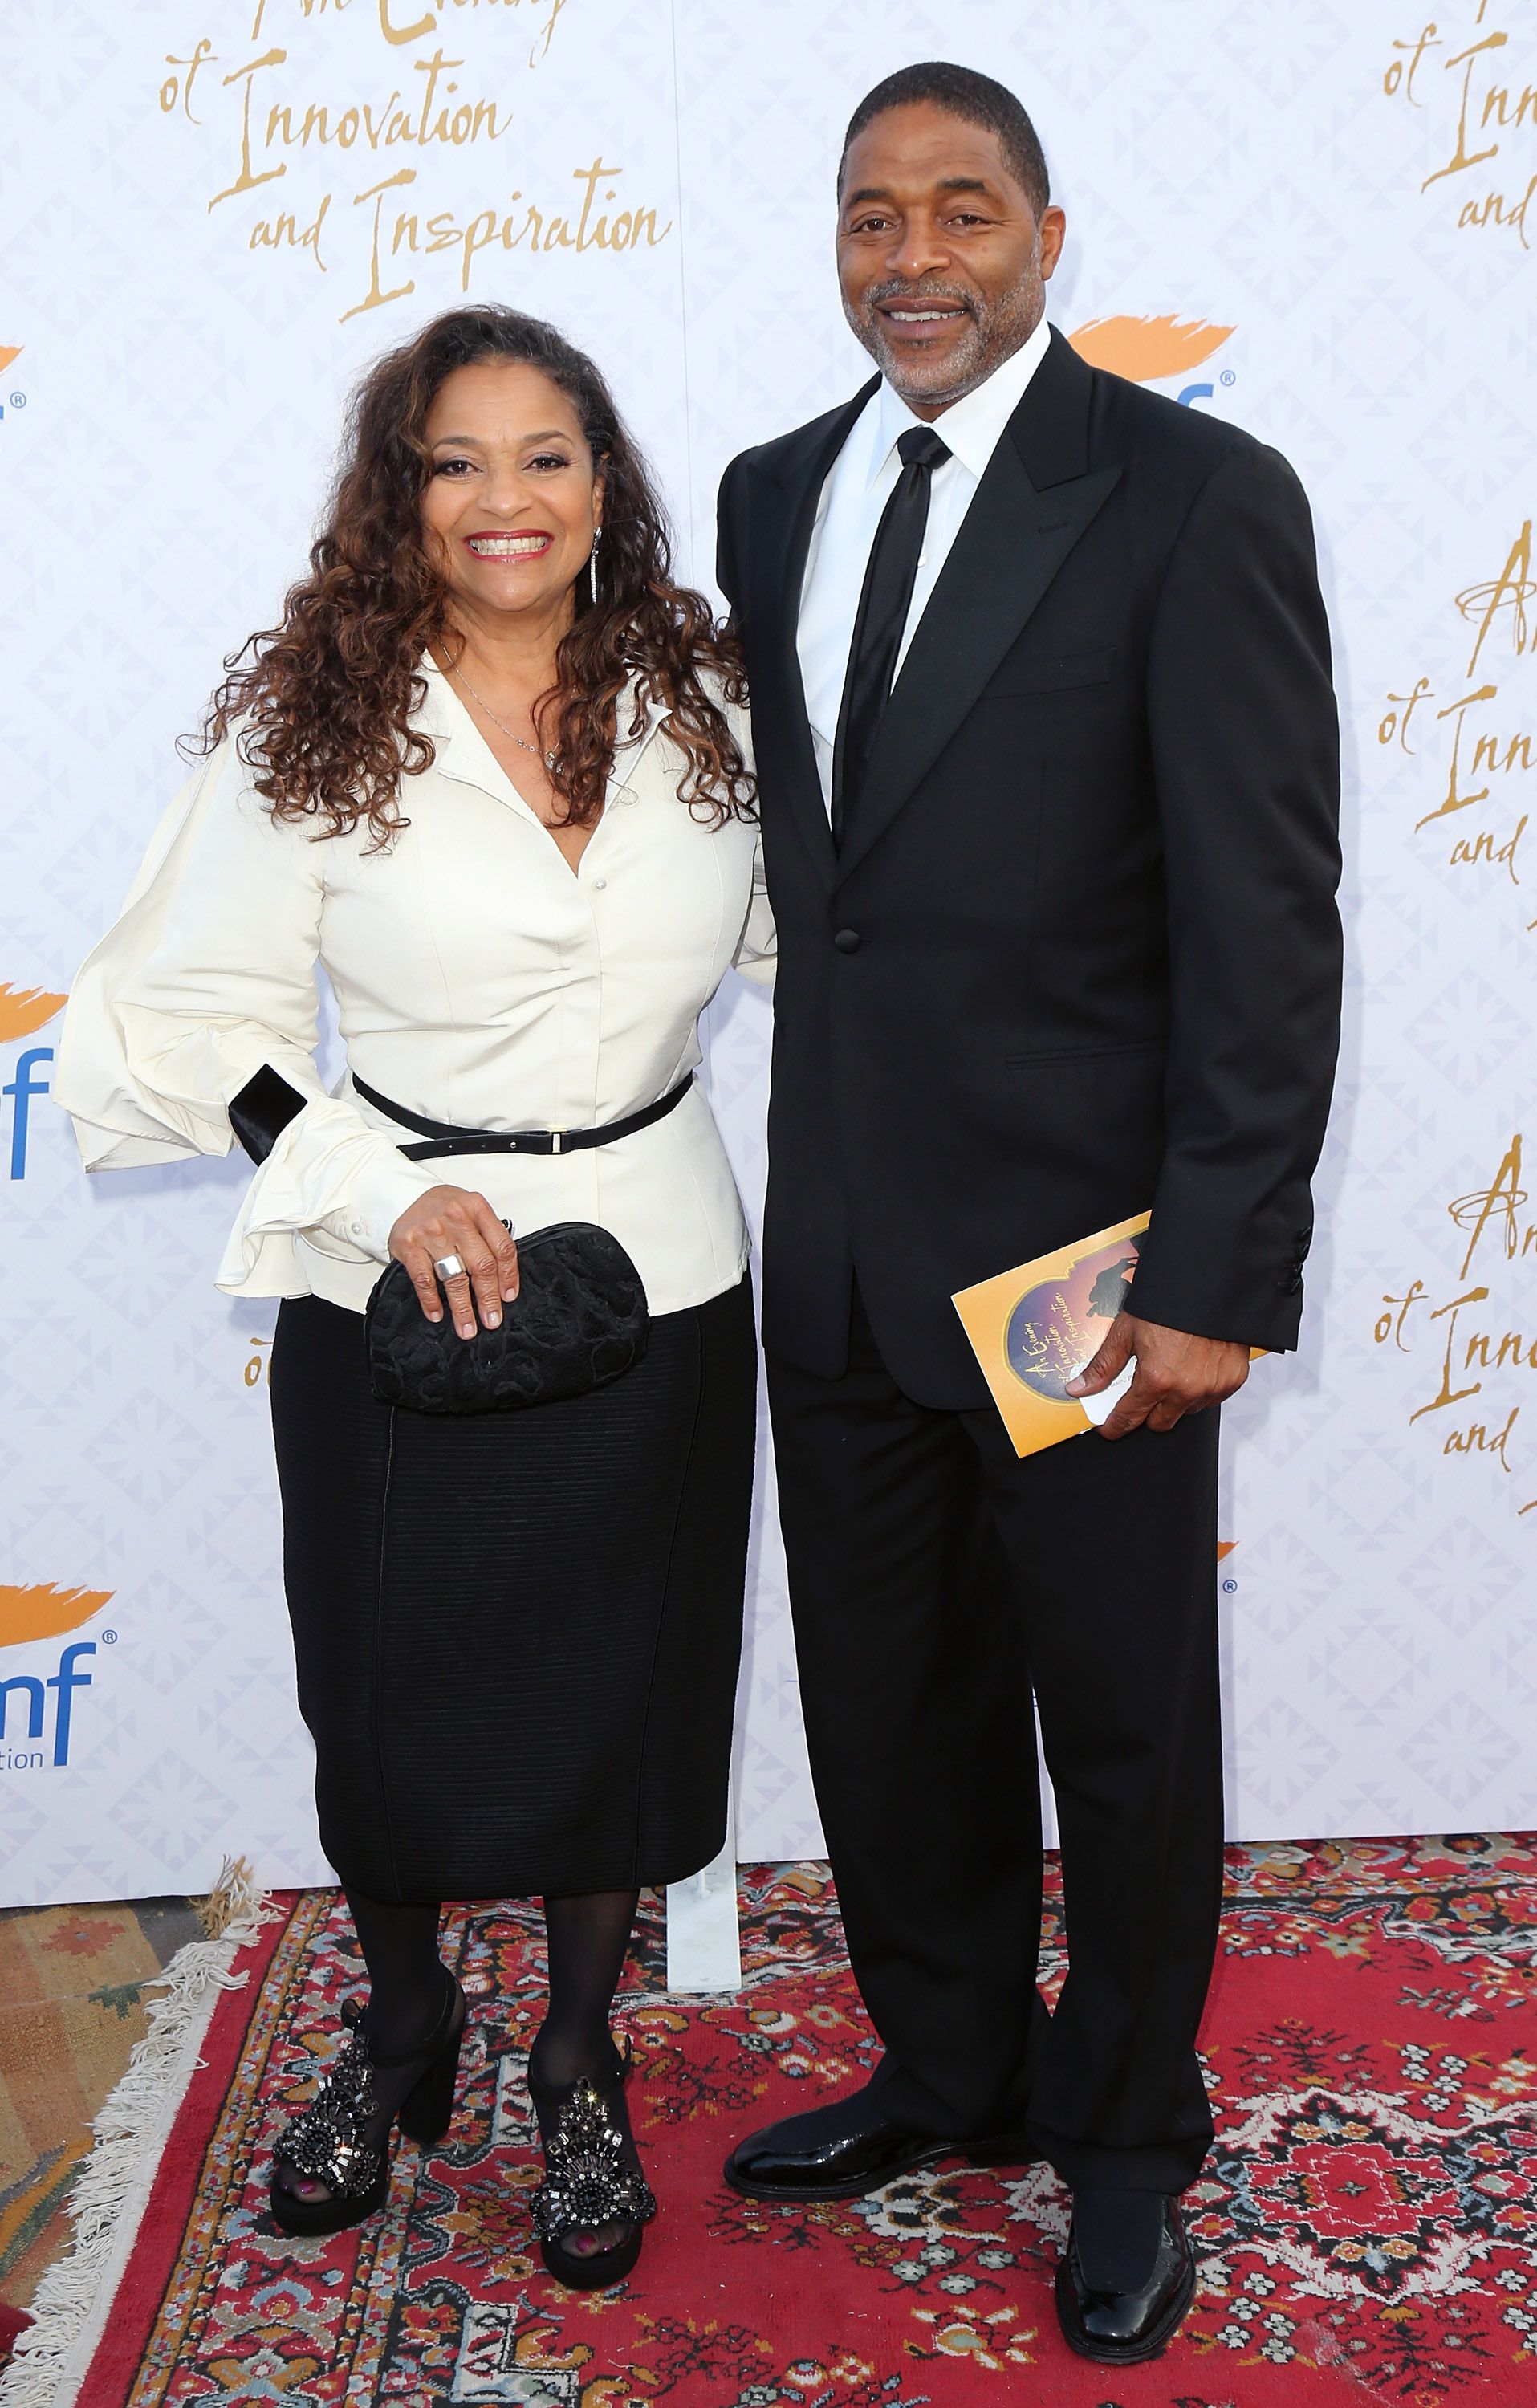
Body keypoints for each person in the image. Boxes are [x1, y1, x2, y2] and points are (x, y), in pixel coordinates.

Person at [716, 61, 1341, 2366]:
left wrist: (1213, 1267)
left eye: (958, 210)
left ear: (1046, 239)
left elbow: (1268, 921)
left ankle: (1125, 2136)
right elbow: (827, 897)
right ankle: (954, 2063)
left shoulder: (1188, 497)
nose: (912, 257)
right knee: (893, 1705)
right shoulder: (772, 495)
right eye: (871, 214)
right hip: (850, 1247)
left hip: (1085, 1273)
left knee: (1124, 1720)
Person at [57, 304, 772, 2289]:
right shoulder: (320, 710)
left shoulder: (707, 697)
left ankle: (568, 2053)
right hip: (387, 1292)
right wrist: (380, 1188)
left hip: (666, 1280)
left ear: (601, 481)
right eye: (455, 460)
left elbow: (840, 930)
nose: (503, 499)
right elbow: (191, 1024)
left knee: (617, 1708)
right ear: (401, 493)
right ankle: (402, 2024)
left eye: (544, 454)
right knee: (385, 1713)